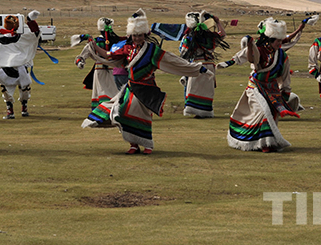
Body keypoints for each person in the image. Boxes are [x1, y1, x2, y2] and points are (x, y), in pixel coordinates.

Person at [81, 9, 212, 154]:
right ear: (131, 35)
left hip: (146, 89)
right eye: (135, 35)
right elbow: (109, 55)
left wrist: (197, 68)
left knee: (142, 117)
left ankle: (147, 145)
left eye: (139, 35)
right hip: (131, 88)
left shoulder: (152, 50)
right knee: (122, 113)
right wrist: (93, 47)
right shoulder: (128, 49)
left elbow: (173, 60)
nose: (137, 38)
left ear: (145, 35)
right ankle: (133, 144)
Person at [224, 18, 304, 153]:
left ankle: (268, 143)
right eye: (278, 41)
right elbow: (251, 59)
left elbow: (285, 75)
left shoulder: (282, 56)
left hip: (272, 89)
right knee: (263, 111)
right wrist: (250, 45)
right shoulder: (259, 50)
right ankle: (260, 142)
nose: (280, 43)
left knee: (271, 113)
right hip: (255, 87)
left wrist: (285, 91)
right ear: (270, 40)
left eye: (281, 41)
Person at [0, 11, 41, 119]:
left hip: (6, 70)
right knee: (24, 88)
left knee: (6, 90)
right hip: (21, 68)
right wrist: (30, 20)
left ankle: (10, 111)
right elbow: (36, 34)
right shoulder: (22, 38)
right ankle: (24, 109)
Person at [179, 11, 228, 118]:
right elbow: (222, 35)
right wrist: (218, 22)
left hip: (197, 66)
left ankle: (197, 112)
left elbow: (184, 54)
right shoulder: (210, 37)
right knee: (206, 91)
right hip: (210, 66)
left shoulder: (190, 38)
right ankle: (205, 112)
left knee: (195, 89)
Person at [72, 17, 125, 111]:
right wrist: (80, 62)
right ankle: (108, 110)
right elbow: (82, 55)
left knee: (107, 92)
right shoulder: (113, 41)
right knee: (108, 92)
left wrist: (80, 62)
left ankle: (106, 110)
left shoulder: (99, 42)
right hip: (107, 71)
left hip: (108, 71)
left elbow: (82, 56)